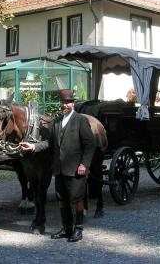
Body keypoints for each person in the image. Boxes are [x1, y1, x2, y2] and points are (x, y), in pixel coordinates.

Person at [21, 89, 96, 242]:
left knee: (77, 199)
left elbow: (90, 144)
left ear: (73, 103)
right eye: (62, 102)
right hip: (59, 168)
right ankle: (67, 228)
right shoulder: (56, 122)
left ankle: (78, 229)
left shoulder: (81, 120)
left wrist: (84, 164)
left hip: (76, 168)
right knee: (61, 198)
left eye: (68, 102)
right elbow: (50, 143)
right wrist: (33, 147)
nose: (65, 105)